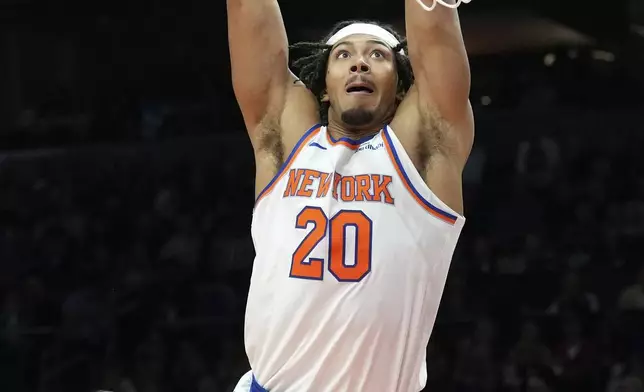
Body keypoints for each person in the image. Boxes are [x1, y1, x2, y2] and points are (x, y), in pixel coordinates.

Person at [227, 0, 474, 390]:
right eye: (344, 55)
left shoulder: (425, 151)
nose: (360, 63)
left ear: (400, 90)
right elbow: (248, 14)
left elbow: (439, 55)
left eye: (378, 55)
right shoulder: (287, 142)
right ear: (324, 88)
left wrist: (434, 6)